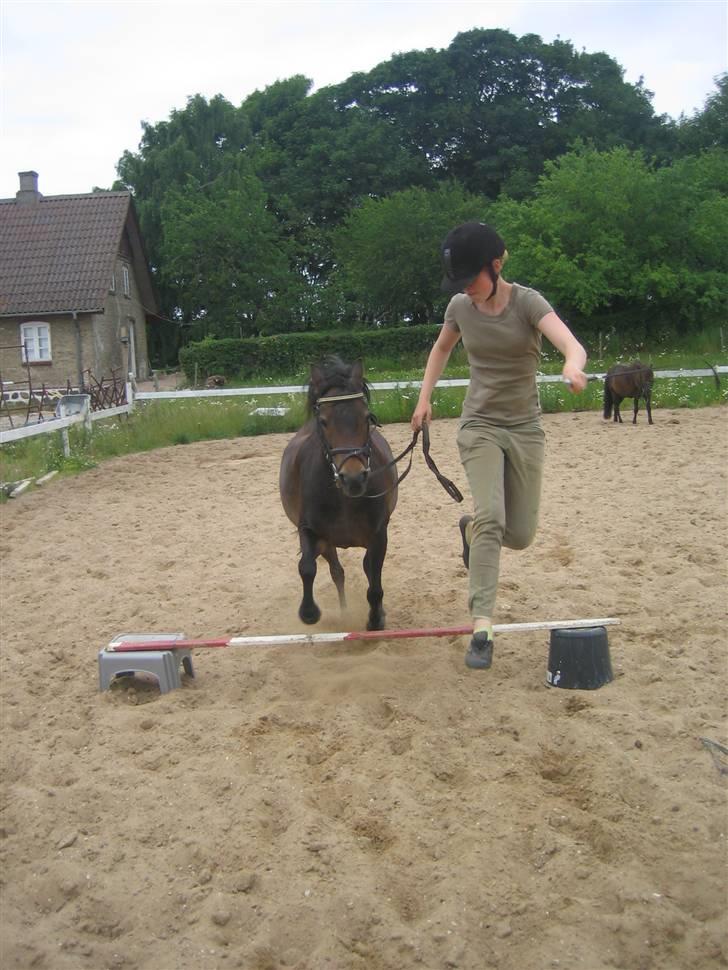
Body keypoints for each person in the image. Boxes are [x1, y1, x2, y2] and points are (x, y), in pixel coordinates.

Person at [411, 222, 588, 670]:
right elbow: (441, 349)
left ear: (497, 264)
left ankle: (472, 531)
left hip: (525, 429)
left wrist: (572, 366)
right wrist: (424, 398)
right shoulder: (460, 306)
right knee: (492, 515)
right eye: (459, 283)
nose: (466, 289)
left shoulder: (527, 303)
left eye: (471, 279)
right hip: (480, 427)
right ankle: (482, 627)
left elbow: (571, 343)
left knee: (521, 535)